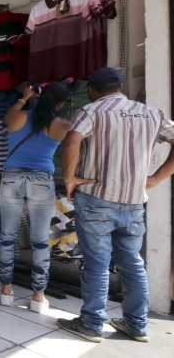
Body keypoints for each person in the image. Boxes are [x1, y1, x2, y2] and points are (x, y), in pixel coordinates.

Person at [58, 67, 174, 343]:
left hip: (97, 197)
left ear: (91, 91)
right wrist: (157, 178)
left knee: (97, 263)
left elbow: (72, 140)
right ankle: (136, 325)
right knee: (133, 263)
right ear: (121, 87)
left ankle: (92, 324)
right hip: (133, 201)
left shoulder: (92, 111)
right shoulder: (151, 114)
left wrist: (70, 178)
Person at [0, 83, 70, 313]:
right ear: (60, 104)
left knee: (7, 236)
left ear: (37, 97)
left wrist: (23, 98)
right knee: (40, 240)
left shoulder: (17, 116)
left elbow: (7, 117)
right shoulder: (63, 124)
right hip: (41, 180)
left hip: (11, 178)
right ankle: (38, 296)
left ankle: (6, 291)